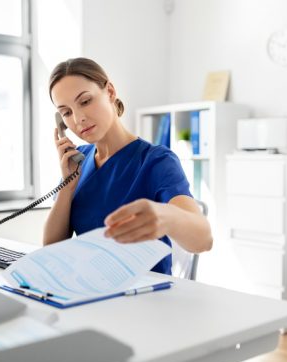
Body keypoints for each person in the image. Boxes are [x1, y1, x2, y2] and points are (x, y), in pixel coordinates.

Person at [43, 57, 212, 275]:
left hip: (145, 298)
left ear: (110, 92)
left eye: (85, 101)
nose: (78, 119)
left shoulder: (156, 161)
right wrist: (67, 186)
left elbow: (203, 239)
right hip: (93, 291)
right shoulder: (77, 162)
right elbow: (51, 250)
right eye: (66, 112)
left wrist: (165, 216)